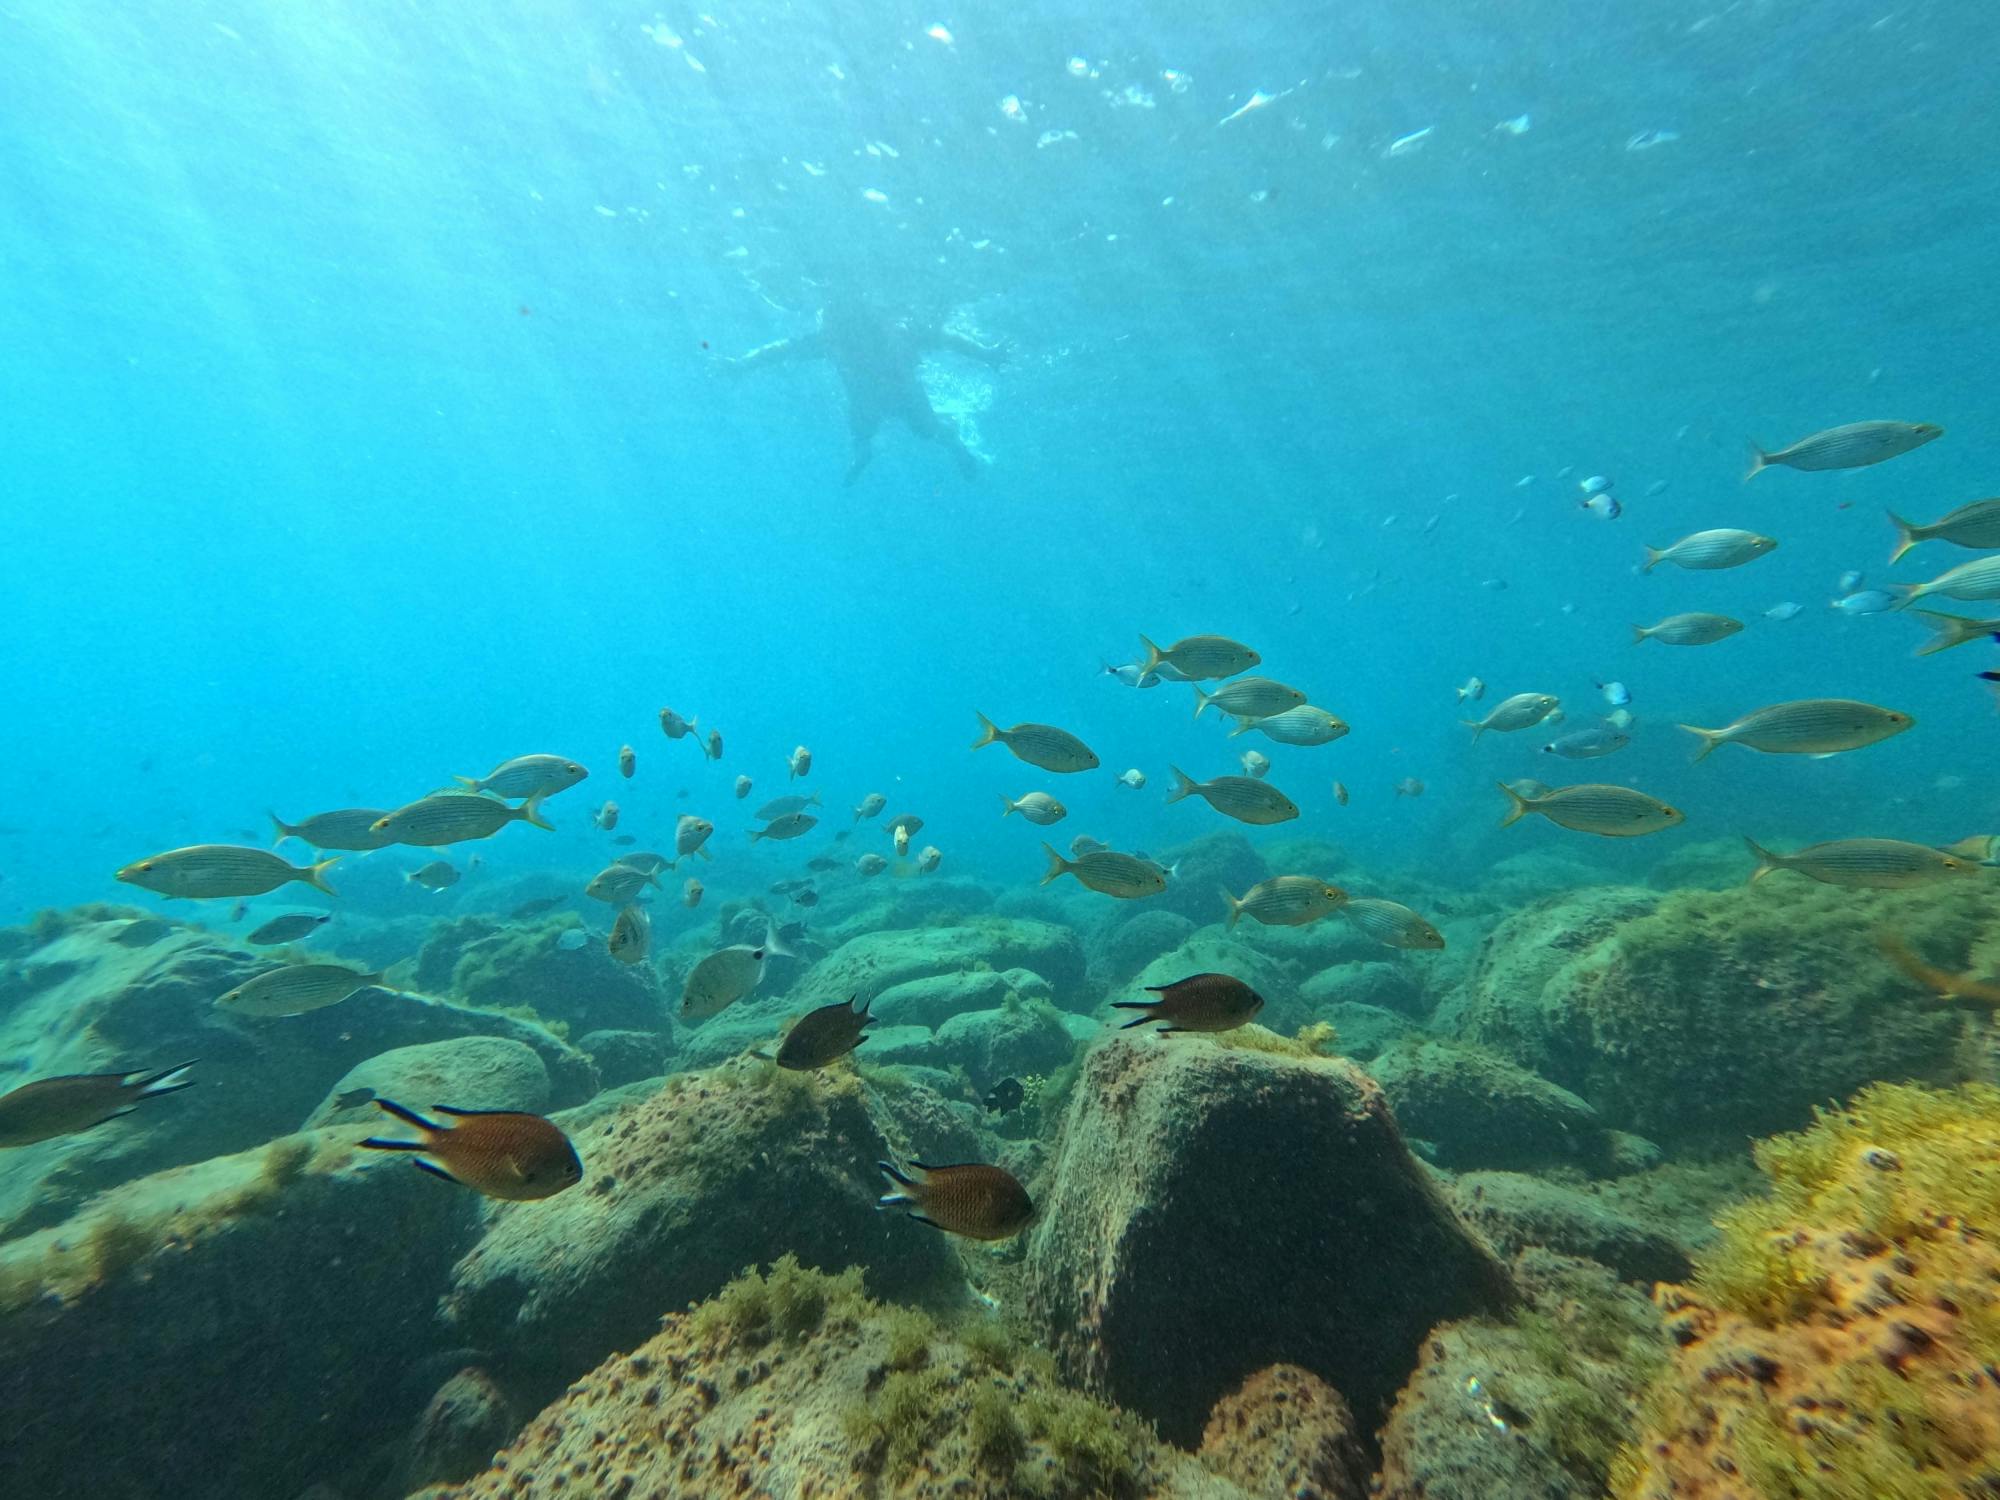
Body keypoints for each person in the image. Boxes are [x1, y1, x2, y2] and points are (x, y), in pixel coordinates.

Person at [720, 296, 1007, 484]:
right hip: (887, 395)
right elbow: (945, 338)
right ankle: (866, 453)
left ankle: (952, 446)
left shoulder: (865, 333)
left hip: (890, 395)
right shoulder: (838, 336)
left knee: (916, 429)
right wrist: (742, 364)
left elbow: (782, 349)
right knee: (883, 430)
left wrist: (986, 354)